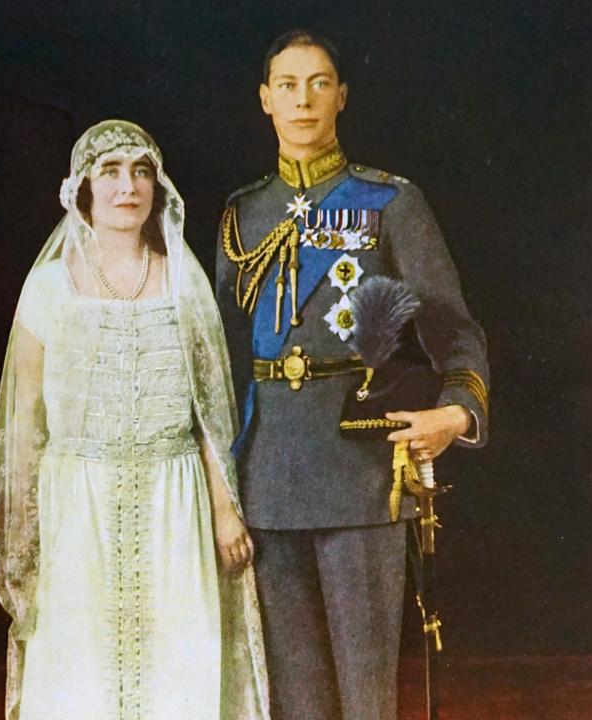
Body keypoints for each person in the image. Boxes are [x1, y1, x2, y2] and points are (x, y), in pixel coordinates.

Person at [215, 30, 490, 720]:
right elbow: (215, 354)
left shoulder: (391, 204)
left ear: (342, 96)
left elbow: (454, 331)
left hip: (361, 473)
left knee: (366, 697)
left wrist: (456, 412)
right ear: (264, 100)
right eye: (287, 84)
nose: (303, 99)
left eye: (318, 83)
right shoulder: (241, 215)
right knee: (294, 697)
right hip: (268, 480)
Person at [0, 120, 269, 720]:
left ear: (158, 187)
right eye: (110, 172)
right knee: (79, 666)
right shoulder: (47, 288)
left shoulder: (183, 285)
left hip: (175, 500)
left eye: (142, 171)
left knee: (177, 667)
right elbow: (24, 425)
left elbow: (209, 415)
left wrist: (222, 510)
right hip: (79, 504)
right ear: (83, 189)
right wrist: (29, 532)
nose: (127, 187)